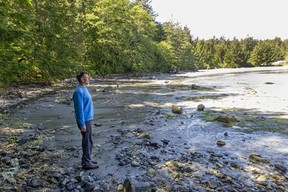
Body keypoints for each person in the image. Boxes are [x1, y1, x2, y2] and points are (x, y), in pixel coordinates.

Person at [73, 71, 98, 170]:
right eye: (87, 78)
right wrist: (82, 124)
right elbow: (79, 109)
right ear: (82, 79)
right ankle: (86, 163)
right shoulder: (79, 91)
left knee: (89, 140)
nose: (89, 79)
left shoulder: (84, 88)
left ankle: (87, 159)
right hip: (84, 120)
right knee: (86, 141)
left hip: (88, 119)